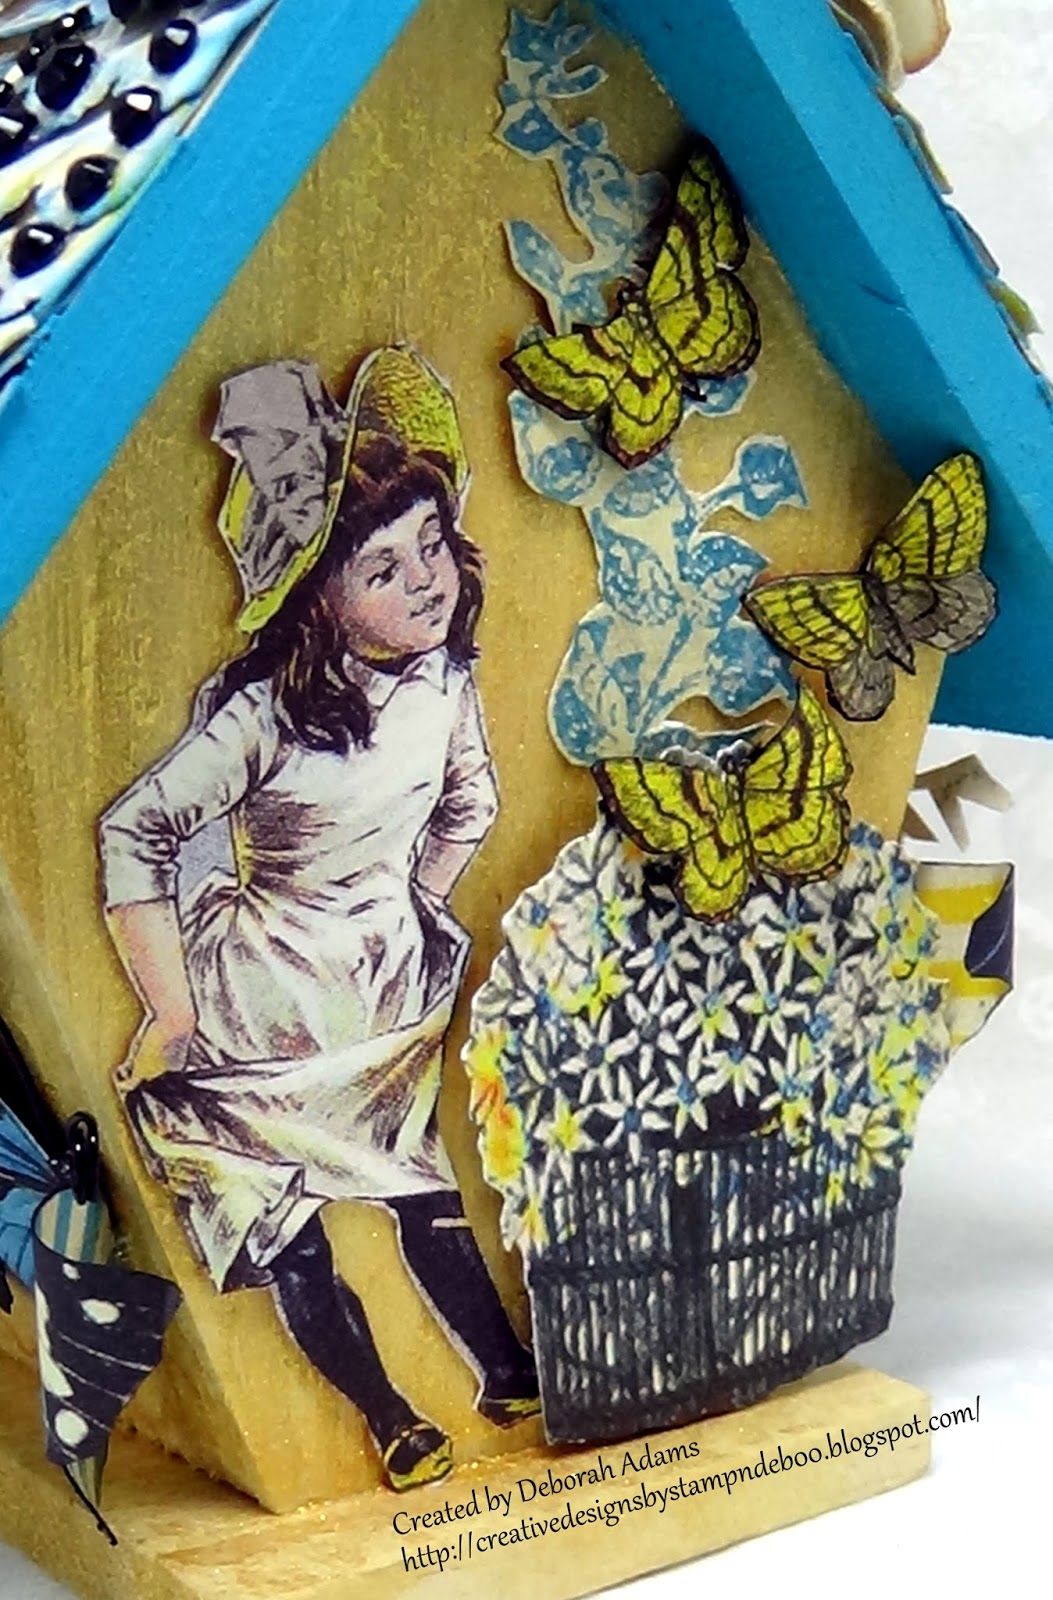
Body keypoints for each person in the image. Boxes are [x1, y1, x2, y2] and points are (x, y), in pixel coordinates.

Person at [98, 347, 538, 1493]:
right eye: (384, 568)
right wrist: (172, 1012)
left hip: (371, 985)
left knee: (418, 1184)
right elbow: (134, 832)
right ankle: (393, 1416)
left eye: (432, 544)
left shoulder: (444, 680)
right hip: (257, 1004)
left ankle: (505, 1372)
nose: (426, 581)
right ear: (316, 600)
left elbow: (472, 803)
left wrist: (411, 901)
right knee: (291, 1216)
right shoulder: (262, 714)